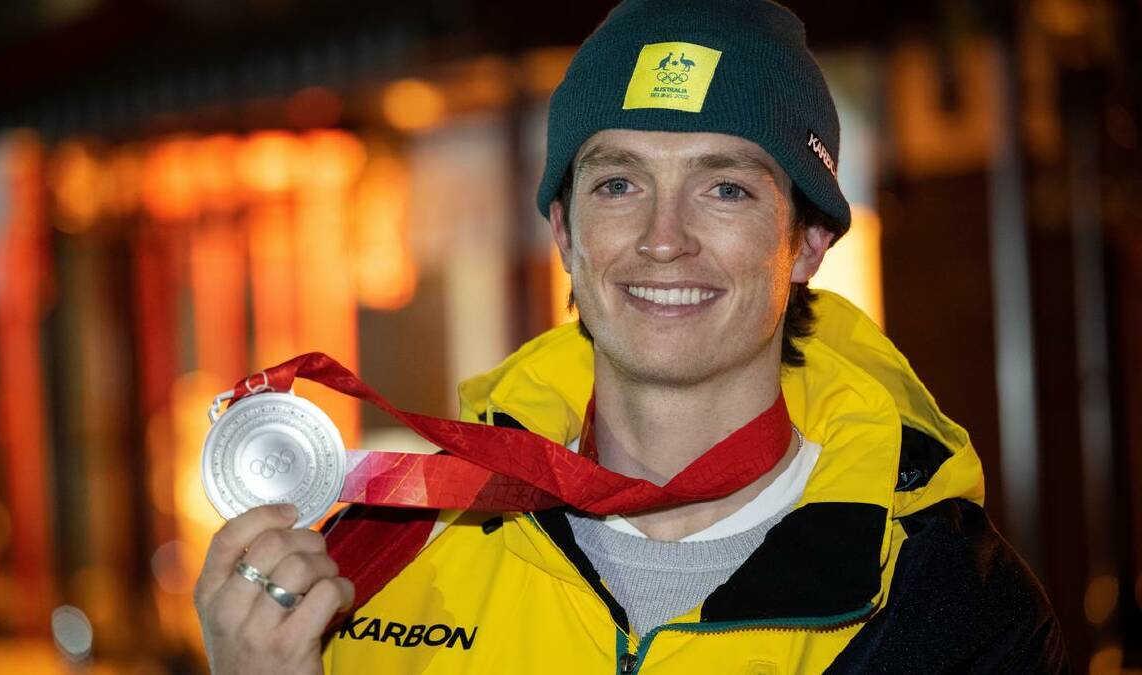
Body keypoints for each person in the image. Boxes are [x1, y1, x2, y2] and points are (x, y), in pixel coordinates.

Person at [195, 0, 1068, 672]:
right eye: (618, 184)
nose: (662, 237)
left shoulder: (946, 601)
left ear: (806, 243)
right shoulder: (383, 550)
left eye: (725, 188)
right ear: (566, 235)